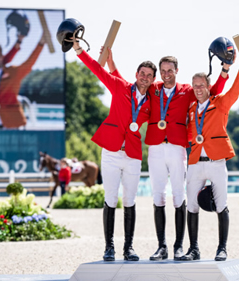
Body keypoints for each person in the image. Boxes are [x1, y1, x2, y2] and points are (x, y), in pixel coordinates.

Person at [107, 53, 229, 260]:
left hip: (177, 148)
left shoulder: (187, 91)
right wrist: (111, 62)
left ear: (176, 71)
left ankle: (178, 247)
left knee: (179, 196)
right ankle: (161, 246)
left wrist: (224, 71)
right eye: (162, 71)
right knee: (158, 195)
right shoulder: (152, 89)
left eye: (169, 71)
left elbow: (213, 91)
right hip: (155, 148)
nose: (166, 75)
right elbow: (124, 84)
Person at [72, 41, 156, 262]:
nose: (145, 77)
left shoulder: (152, 102)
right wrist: (79, 50)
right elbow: (97, 70)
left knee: (129, 200)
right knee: (110, 199)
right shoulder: (120, 86)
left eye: (149, 75)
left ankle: (129, 248)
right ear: (136, 74)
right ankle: (109, 247)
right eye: (143, 73)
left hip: (133, 156)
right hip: (110, 152)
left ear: (153, 80)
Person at [180, 55, 239, 262]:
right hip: (195, 162)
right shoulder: (192, 109)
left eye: (201, 85)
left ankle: (222, 249)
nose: (198, 89)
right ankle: (193, 249)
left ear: (209, 86)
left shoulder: (220, 103)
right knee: (191, 205)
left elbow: (235, 92)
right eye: (195, 86)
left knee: (221, 204)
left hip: (216, 161)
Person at [0, 32, 47, 129]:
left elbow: (30, 62)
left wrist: (41, 43)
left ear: (2, 56)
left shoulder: (13, 72)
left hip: (12, 124)